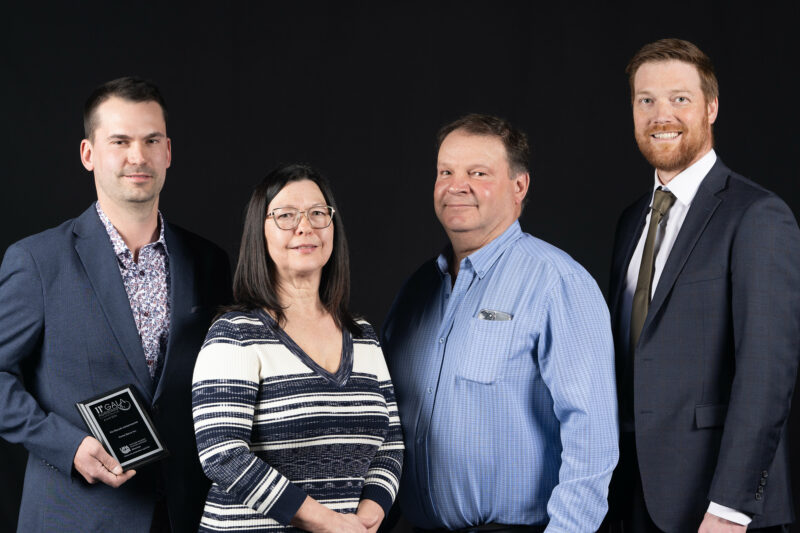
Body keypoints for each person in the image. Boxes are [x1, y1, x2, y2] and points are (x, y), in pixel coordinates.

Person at [0, 76, 231, 533]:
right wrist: (65, 446)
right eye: (120, 141)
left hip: (188, 514)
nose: (137, 157)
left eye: (151, 141)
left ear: (169, 151)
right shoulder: (37, 261)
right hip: (76, 515)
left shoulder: (209, 262)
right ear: (88, 154)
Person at [381, 113, 618, 532]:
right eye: (446, 172)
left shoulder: (556, 282)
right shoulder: (416, 291)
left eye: (478, 173)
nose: (458, 185)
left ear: (519, 186)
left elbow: (593, 439)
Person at [606, 38, 800, 532]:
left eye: (680, 99)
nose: (660, 114)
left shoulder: (757, 216)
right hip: (635, 500)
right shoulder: (632, 221)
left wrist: (731, 507)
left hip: (719, 510)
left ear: (711, 108)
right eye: (645, 100)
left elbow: (766, 374)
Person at [191, 163, 403, 533]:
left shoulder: (364, 336)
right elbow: (222, 454)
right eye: (286, 215)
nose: (305, 227)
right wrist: (326, 522)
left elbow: (391, 442)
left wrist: (369, 515)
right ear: (261, 232)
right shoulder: (236, 334)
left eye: (318, 214)